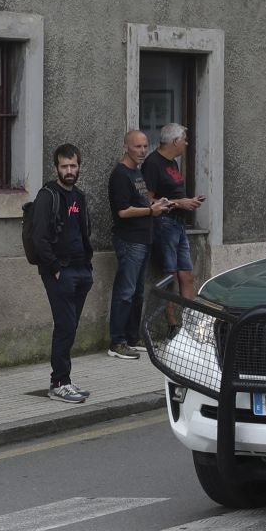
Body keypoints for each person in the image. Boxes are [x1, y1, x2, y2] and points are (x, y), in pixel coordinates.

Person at [29, 144, 94, 404]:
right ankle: (59, 383)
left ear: (79, 166)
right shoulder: (47, 196)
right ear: (56, 167)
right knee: (64, 326)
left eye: (73, 166)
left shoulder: (78, 196)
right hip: (60, 272)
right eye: (64, 166)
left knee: (71, 327)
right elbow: (38, 237)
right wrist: (55, 267)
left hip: (81, 271)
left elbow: (84, 231)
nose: (69, 171)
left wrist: (88, 266)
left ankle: (65, 380)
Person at [107, 129, 169, 359]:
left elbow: (143, 200)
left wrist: (160, 203)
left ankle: (132, 337)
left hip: (144, 239)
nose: (143, 151)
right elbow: (122, 211)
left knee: (137, 293)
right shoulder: (120, 175)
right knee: (125, 292)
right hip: (130, 241)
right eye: (137, 146)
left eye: (145, 146)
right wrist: (150, 210)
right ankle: (117, 342)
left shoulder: (138, 173)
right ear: (126, 147)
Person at [143, 124, 203, 321]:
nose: (186, 143)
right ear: (175, 141)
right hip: (164, 224)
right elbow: (148, 200)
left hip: (179, 224)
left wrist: (189, 202)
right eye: (184, 139)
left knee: (186, 275)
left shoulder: (173, 163)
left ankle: (191, 324)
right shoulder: (152, 163)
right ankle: (172, 324)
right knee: (170, 277)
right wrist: (180, 203)